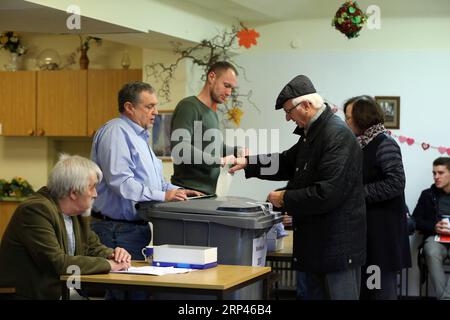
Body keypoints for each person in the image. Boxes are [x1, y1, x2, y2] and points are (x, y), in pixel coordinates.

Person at [229, 75, 366, 300]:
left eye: (289, 111)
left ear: (307, 105)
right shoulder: (314, 133)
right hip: (316, 246)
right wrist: (247, 162)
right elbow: (286, 161)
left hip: (336, 250)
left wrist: (284, 198)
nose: (287, 118)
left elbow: (326, 193)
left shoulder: (336, 135)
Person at [91, 81, 201, 260]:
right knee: (124, 287)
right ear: (129, 107)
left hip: (132, 229)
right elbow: (121, 183)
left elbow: (155, 182)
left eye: (155, 106)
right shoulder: (116, 132)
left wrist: (175, 191)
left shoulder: (139, 137)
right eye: (149, 106)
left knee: (138, 286)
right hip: (116, 231)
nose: (156, 112)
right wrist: (164, 196)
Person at [0, 154, 131, 300]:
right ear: (74, 192)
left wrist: (114, 255)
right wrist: (109, 264)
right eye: (92, 187)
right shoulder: (35, 210)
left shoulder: (76, 213)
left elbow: (93, 248)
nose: (95, 194)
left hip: (67, 293)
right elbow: (58, 263)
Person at [344, 95, 411, 300]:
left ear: (362, 118)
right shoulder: (360, 145)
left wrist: (358, 194)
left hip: (383, 234)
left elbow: (396, 183)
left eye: (348, 117)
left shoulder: (385, 143)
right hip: (368, 232)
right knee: (368, 291)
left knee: (381, 291)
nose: (346, 122)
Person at [170, 61, 245, 195]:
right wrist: (220, 161)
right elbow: (180, 149)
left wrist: (238, 151)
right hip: (190, 193)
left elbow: (215, 146)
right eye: (226, 85)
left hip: (209, 193)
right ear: (212, 77)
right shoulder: (189, 107)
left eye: (232, 88)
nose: (229, 92)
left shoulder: (212, 113)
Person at [413, 157, 450, 299]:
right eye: (434, 173)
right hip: (436, 238)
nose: (436, 177)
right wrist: (434, 227)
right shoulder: (427, 195)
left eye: (440, 173)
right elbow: (415, 220)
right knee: (431, 251)